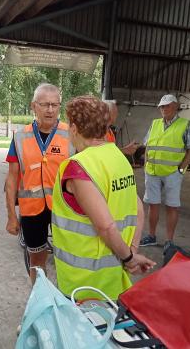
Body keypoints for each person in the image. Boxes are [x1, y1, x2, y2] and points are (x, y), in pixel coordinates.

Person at [52, 96, 156, 300]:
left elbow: (106, 226)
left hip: (84, 282)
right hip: (115, 276)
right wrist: (131, 252)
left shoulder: (78, 167)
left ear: (73, 128)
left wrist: (129, 258)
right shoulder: (119, 157)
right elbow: (138, 208)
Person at [5, 83, 74, 284]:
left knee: (68, 258)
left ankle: (66, 301)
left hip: (63, 208)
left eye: (55, 104)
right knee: (36, 258)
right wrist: (11, 215)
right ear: (33, 106)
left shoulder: (71, 134)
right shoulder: (20, 136)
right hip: (31, 210)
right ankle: (39, 298)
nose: (50, 110)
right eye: (45, 105)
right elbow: (11, 180)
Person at [139, 94, 190, 250]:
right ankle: (151, 236)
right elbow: (148, 146)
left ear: (175, 106)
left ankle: (169, 241)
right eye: (161, 106)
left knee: (172, 206)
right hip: (152, 171)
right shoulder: (155, 124)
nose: (163, 109)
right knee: (153, 204)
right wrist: (146, 165)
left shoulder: (186, 124)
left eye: (167, 106)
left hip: (172, 172)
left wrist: (180, 169)